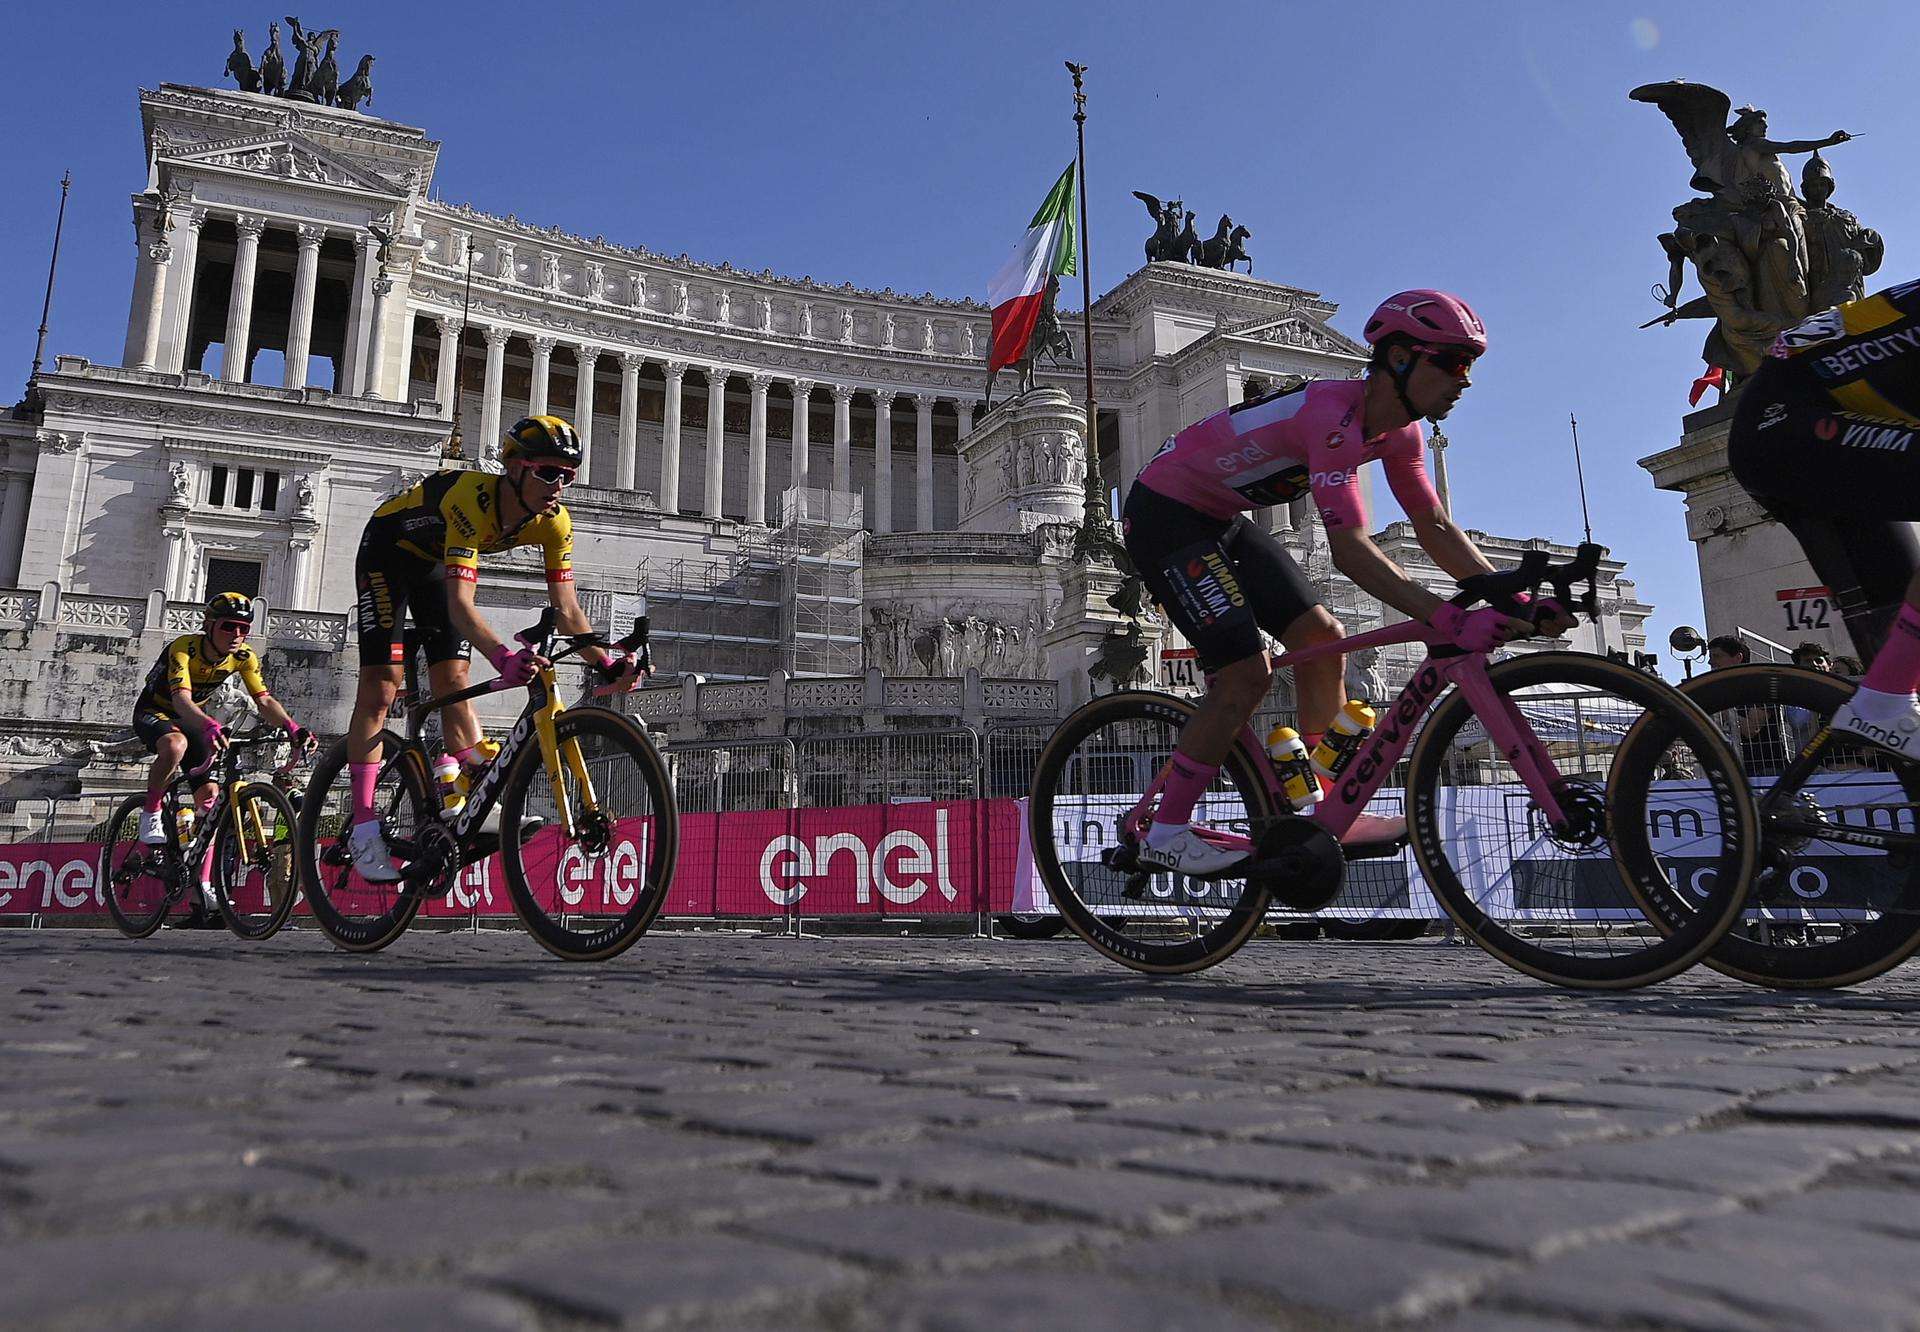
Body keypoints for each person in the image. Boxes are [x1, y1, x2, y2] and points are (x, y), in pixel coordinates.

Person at [1120, 290, 1568, 874]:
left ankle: (1324, 806)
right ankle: (1166, 832)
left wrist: (1516, 599)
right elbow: (1351, 552)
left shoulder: (1401, 433)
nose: (1465, 381)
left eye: (1470, 366)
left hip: (1220, 518)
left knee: (1323, 639)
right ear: (1400, 359)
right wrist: (1442, 615)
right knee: (1244, 673)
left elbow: (1434, 525)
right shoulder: (1333, 419)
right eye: (1453, 362)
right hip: (1164, 514)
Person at [345, 415, 643, 882]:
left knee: (454, 677)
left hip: (435, 563)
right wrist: (504, 657)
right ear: (516, 468)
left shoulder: (554, 522)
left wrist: (606, 663)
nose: (558, 486)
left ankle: (456, 792)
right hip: (388, 552)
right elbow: (461, 605)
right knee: (382, 686)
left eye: (567, 476)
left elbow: (567, 609)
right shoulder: (472, 498)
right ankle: (363, 827)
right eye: (548, 472)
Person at [1727, 279, 1920, 757]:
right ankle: (1884, 700)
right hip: (1784, 427)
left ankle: (1892, 708)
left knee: (1903, 604)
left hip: (1828, 427)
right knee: (1894, 682)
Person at [132, 591, 318, 915]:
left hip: (194, 721)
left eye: (243, 628)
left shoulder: (244, 657)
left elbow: (263, 700)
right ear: (209, 625)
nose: (236, 634)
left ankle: (202, 884)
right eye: (228, 626)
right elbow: (180, 700)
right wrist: (208, 725)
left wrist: (293, 728)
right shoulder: (184, 648)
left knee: (211, 803)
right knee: (175, 745)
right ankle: (151, 811)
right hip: (156, 712)